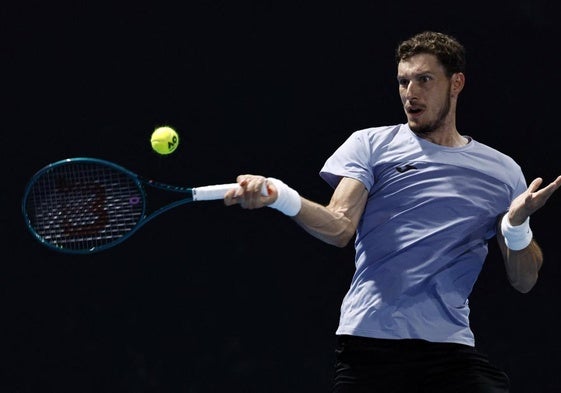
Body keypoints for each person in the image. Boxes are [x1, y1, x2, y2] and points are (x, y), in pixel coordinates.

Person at [223, 31, 561, 392]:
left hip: (450, 351)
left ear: (456, 83)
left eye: (424, 80)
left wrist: (515, 224)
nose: (410, 93)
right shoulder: (371, 144)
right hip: (370, 345)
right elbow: (339, 227)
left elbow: (524, 280)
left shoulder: (502, 171)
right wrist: (280, 196)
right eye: (403, 81)